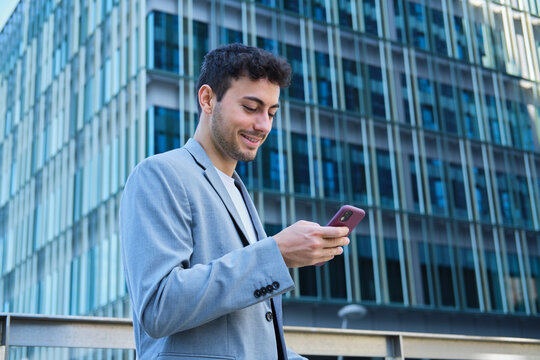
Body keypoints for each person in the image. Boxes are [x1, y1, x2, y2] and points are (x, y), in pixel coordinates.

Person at [120, 43, 350, 360]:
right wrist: (276, 252)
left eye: (271, 113)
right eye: (251, 108)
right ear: (207, 99)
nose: (264, 125)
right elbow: (159, 307)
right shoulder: (160, 174)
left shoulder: (238, 191)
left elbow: (242, 339)